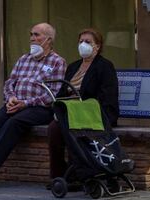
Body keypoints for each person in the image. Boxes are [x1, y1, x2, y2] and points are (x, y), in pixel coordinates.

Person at [0, 23, 66, 189]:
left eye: (37, 35)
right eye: (31, 34)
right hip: (16, 103)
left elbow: (52, 95)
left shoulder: (57, 62)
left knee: (14, 123)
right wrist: (11, 98)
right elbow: (10, 82)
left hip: (40, 108)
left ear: (48, 40)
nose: (32, 38)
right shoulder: (24, 59)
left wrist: (25, 103)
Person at [48, 28, 119, 180]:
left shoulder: (104, 66)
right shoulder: (73, 66)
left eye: (87, 42)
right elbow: (62, 92)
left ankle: (79, 175)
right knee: (54, 129)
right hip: (70, 112)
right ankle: (58, 176)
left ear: (97, 46)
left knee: (73, 130)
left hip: (92, 113)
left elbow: (108, 97)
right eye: (80, 41)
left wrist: (83, 108)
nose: (83, 45)